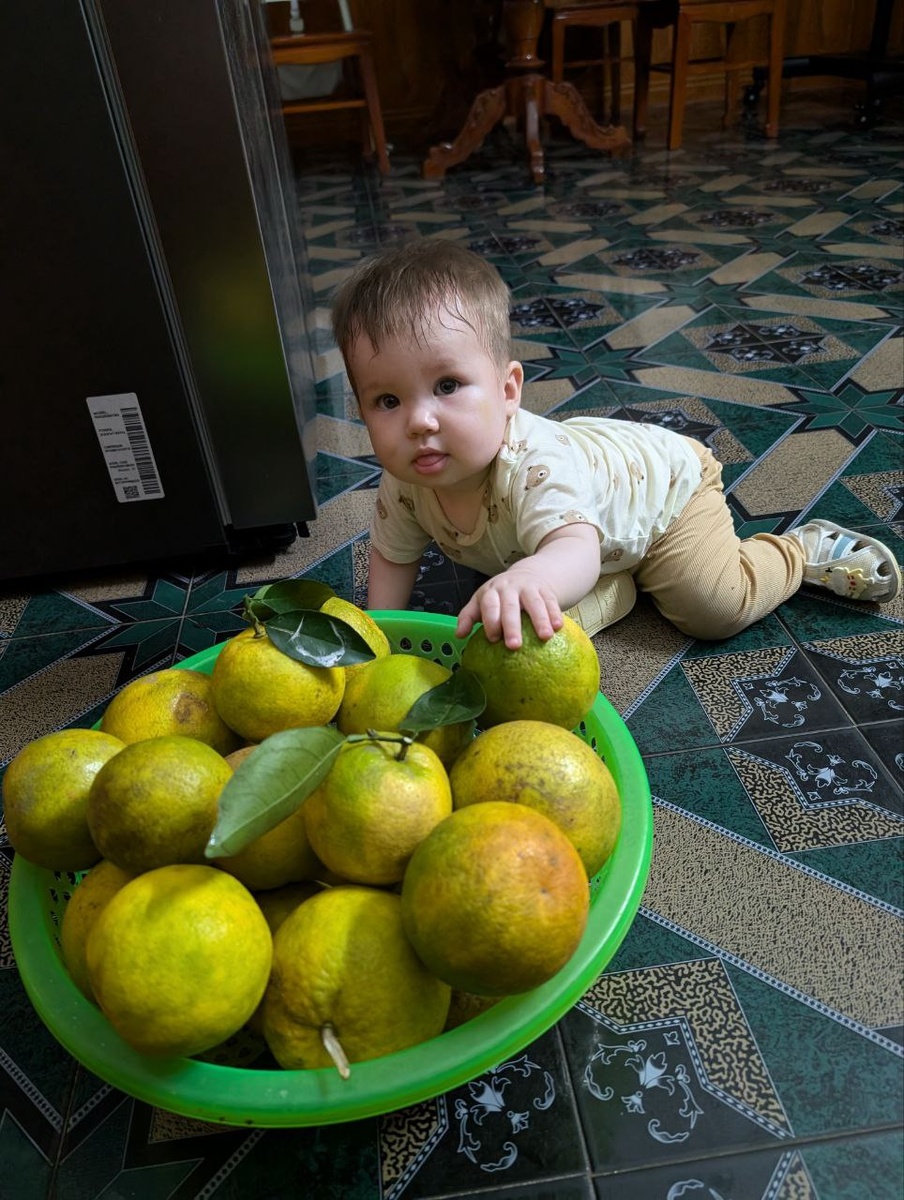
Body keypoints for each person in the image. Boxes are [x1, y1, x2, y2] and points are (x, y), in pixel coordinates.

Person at [330, 238, 901, 650]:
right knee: (539, 633)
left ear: (507, 391)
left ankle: (798, 551)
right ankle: (617, 584)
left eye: (447, 386)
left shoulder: (534, 466)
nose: (419, 422)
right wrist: (378, 639)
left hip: (667, 494)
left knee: (712, 609)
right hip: (592, 518)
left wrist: (533, 575)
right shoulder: (406, 478)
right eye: (388, 400)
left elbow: (574, 552)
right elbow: (394, 556)